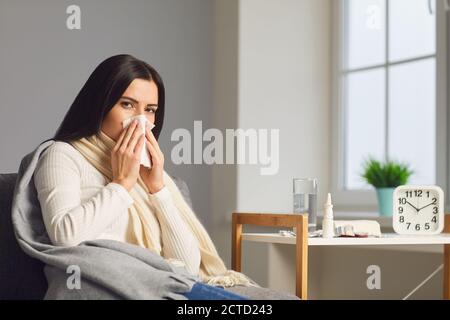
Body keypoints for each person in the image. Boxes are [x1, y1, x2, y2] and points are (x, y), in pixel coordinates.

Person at [33, 54, 253, 300]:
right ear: (100, 105)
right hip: (108, 287)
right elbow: (64, 237)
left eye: (150, 110)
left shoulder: (146, 173)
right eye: (127, 104)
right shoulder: (63, 155)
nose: (140, 120)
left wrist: (157, 189)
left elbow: (187, 267)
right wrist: (122, 184)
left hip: (160, 286)